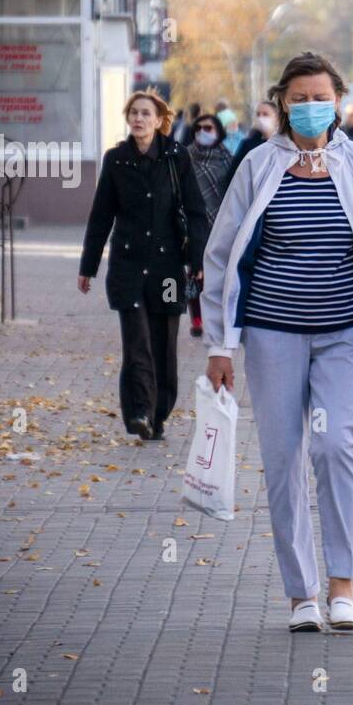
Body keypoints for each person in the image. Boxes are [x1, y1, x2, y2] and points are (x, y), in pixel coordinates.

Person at [202, 52, 353, 633]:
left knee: (335, 446)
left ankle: (343, 585)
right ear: (281, 103)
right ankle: (301, 594)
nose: (310, 106)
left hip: (346, 335)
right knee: (283, 460)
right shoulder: (257, 166)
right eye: (299, 97)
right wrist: (219, 343)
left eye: (320, 95)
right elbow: (222, 256)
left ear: (338, 101)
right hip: (273, 335)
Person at [78, 89, 208, 442]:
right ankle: (138, 411)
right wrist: (88, 265)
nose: (138, 119)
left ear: (158, 119)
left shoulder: (176, 157)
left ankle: (159, 413)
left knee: (163, 342)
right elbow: (101, 214)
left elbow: (196, 211)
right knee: (136, 341)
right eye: (133, 113)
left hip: (167, 268)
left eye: (145, 113)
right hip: (128, 265)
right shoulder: (116, 159)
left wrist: (198, 260)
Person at [186, 113, 233, 337]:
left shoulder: (227, 158)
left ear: (218, 131)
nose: (203, 132)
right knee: (196, 273)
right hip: (193, 224)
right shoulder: (185, 157)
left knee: (219, 274)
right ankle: (197, 319)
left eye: (208, 128)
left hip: (221, 224)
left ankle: (219, 317)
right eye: (199, 128)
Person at [221, 100, 277, 198]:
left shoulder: (286, 143)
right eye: (258, 114)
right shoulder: (248, 144)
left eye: (265, 114)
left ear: (277, 118)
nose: (261, 118)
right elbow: (233, 175)